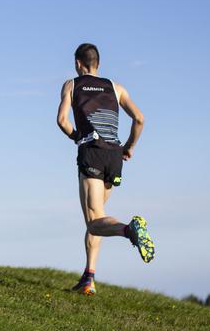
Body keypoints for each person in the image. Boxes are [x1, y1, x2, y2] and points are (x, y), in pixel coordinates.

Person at [56, 43, 154, 295]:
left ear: (79, 63)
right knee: (98, 215)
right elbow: (140, 118)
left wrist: (75, 136)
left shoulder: (72, 85)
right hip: (114, 156)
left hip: (92, 152)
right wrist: (129, 147)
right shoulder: (116, 87)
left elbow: (61, 121)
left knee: (94, 222)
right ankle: (89, 278)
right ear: (97, 63)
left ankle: (129, 230)